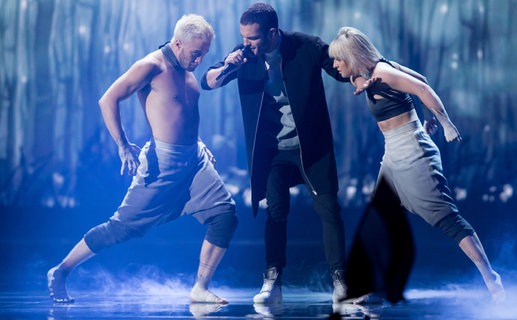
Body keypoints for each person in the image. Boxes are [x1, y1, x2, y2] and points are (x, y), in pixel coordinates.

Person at [47, 14, 238, 305]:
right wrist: (123, 146)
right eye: (196, 53)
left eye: (204, 55)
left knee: (225, 214)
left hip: (195, 160)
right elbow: (107, 99)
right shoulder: (152, 66)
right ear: (177, 43)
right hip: (163, 163)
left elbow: (182, 114)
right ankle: (61, 270)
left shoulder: (186, 68)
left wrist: (198, 142)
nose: (200, 60)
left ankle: (200, 287)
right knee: (122, 228)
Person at [328, 26, 506, 302]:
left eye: (339, 59)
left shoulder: (383, 72)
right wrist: (420, 119)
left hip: (413, 152)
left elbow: (422, 86)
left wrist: (444, 122)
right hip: (393, 154)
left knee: (446, 219)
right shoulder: (367, 76)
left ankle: (491, 279)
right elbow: (418, 77)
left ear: (352, 56)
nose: (335, 65)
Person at [201, 2, 351, 304]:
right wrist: (228, 65)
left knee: (329, 211)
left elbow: (342, 71)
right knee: (276, 212)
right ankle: (273, 280)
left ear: (272, 33)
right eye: (243, 37)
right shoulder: (243, 57)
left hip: (312, 147)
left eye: (252, 38)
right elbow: (208, 82)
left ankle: (341, 280)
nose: (246, 44)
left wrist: (374, 72)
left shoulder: (305, 47)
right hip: (274, 152)